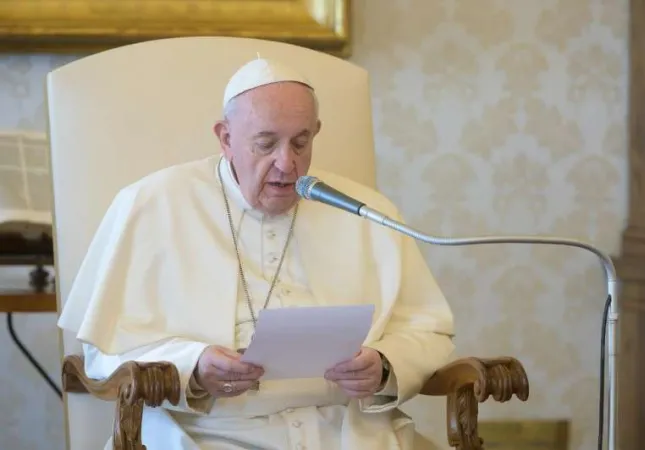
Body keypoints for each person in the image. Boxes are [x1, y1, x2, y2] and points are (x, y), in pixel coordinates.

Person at [57, 57, 456, 450]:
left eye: (301, 142)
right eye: (266, 143)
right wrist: (193, 366)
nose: (288, 163)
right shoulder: (151, 204)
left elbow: (427, 330)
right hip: (208, 432)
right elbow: (103, 351)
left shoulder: (365, 209)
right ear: (226, 138)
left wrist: (385, 365)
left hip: (353, 433)